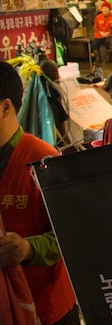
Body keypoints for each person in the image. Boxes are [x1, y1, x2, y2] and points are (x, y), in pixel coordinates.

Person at [0, 61, 77, 325]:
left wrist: (29, 248)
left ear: (5, 107)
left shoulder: (44, 160)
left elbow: (73, 233)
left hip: (47, 309)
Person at [93, 0, 112, 65]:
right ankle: (98, 58)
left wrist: (108, 32)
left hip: (109, 34)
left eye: (106, 8)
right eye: (103, 8)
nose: (104, 9)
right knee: (95, 43)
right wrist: (100, 32)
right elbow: (96, 27)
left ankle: (109, 57)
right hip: (99, 34)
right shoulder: (98, 17)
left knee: (108, 41)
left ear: (109, 9)